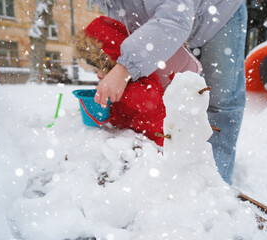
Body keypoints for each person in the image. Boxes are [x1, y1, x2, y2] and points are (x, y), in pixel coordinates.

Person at [92, 0, 247, 185]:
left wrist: (125, 67)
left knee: (220, 101)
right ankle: (186, 174)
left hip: (220, 13)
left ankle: (216, 184)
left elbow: (174, 20)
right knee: (177, 96)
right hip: (176, 21)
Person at [74, 16, 166, 146]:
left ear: (112, 63)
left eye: (101, 70)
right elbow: (119, 112)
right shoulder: (114, 81)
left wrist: (119, 91)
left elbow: (149, 99)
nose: (99, 76)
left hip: (153, 144)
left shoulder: (142, 74)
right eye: (95, 72)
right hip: (130, 142)